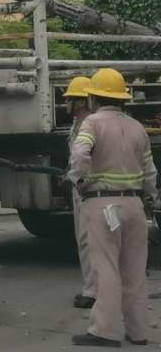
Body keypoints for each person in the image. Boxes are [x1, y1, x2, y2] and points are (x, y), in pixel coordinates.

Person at [68, 68, 157, 347]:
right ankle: (138, 332)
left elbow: (80, 153)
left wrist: (77, 179)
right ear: (122, 99)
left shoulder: (92, 123)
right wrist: (150, 197)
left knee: (105, 267)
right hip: (134, 205)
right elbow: (150, 171)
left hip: (102, 203)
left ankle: (103, 331)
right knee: (134, 271)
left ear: (93, 97)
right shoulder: (137, 127)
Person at [64, 76, 97, 309]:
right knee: (83, 239)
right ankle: (92, 287)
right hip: (81, 188)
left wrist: (77, 177)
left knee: (89, 240)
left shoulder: (90, 125)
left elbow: (86, 158)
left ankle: (93, 291)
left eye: (70, 99)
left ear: (81, 102)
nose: (66, 104)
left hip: (89, 190)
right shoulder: (77, 125)